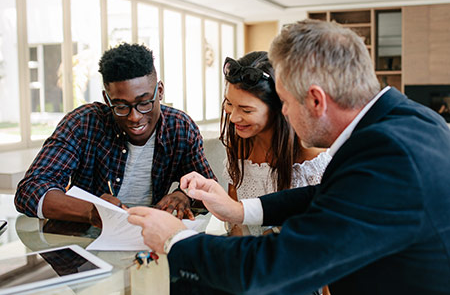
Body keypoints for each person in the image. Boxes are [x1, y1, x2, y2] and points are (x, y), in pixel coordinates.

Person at [128, 20, 450, 295]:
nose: (283, 112)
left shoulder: (389, 160)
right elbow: (326, 196)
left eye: (283, 101)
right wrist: (239, 210)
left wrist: (175, 239)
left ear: (315, 100)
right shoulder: (404, 120)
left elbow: (273, 267)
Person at [15, 43, 215, 227]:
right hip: (87, 243)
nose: (135, 117)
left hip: (150, 238)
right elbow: (30, 190)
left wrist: (184, 195)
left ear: (160, 91)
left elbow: (208, 188)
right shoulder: (83, 124)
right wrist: (92, 211)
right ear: (106, 99)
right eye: (120, 106)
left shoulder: (180, 127)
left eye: (144, 102)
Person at [220, 51, 330, 235]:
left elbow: (321, 228)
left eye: (246, 110)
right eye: (229, 103)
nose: (234, 118)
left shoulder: (310, 157)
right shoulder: (240, 145)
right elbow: (236, 223)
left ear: (280, 108)